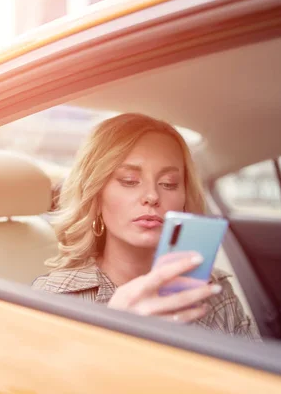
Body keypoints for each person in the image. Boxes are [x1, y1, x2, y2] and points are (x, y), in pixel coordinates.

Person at [33, 113, 260, 340]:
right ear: (96, 194)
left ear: (183, 198)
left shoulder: (215, 292)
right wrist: (112, 331)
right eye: (129, 181)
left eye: (168, 184)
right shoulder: (54, 297)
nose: (152, 196)